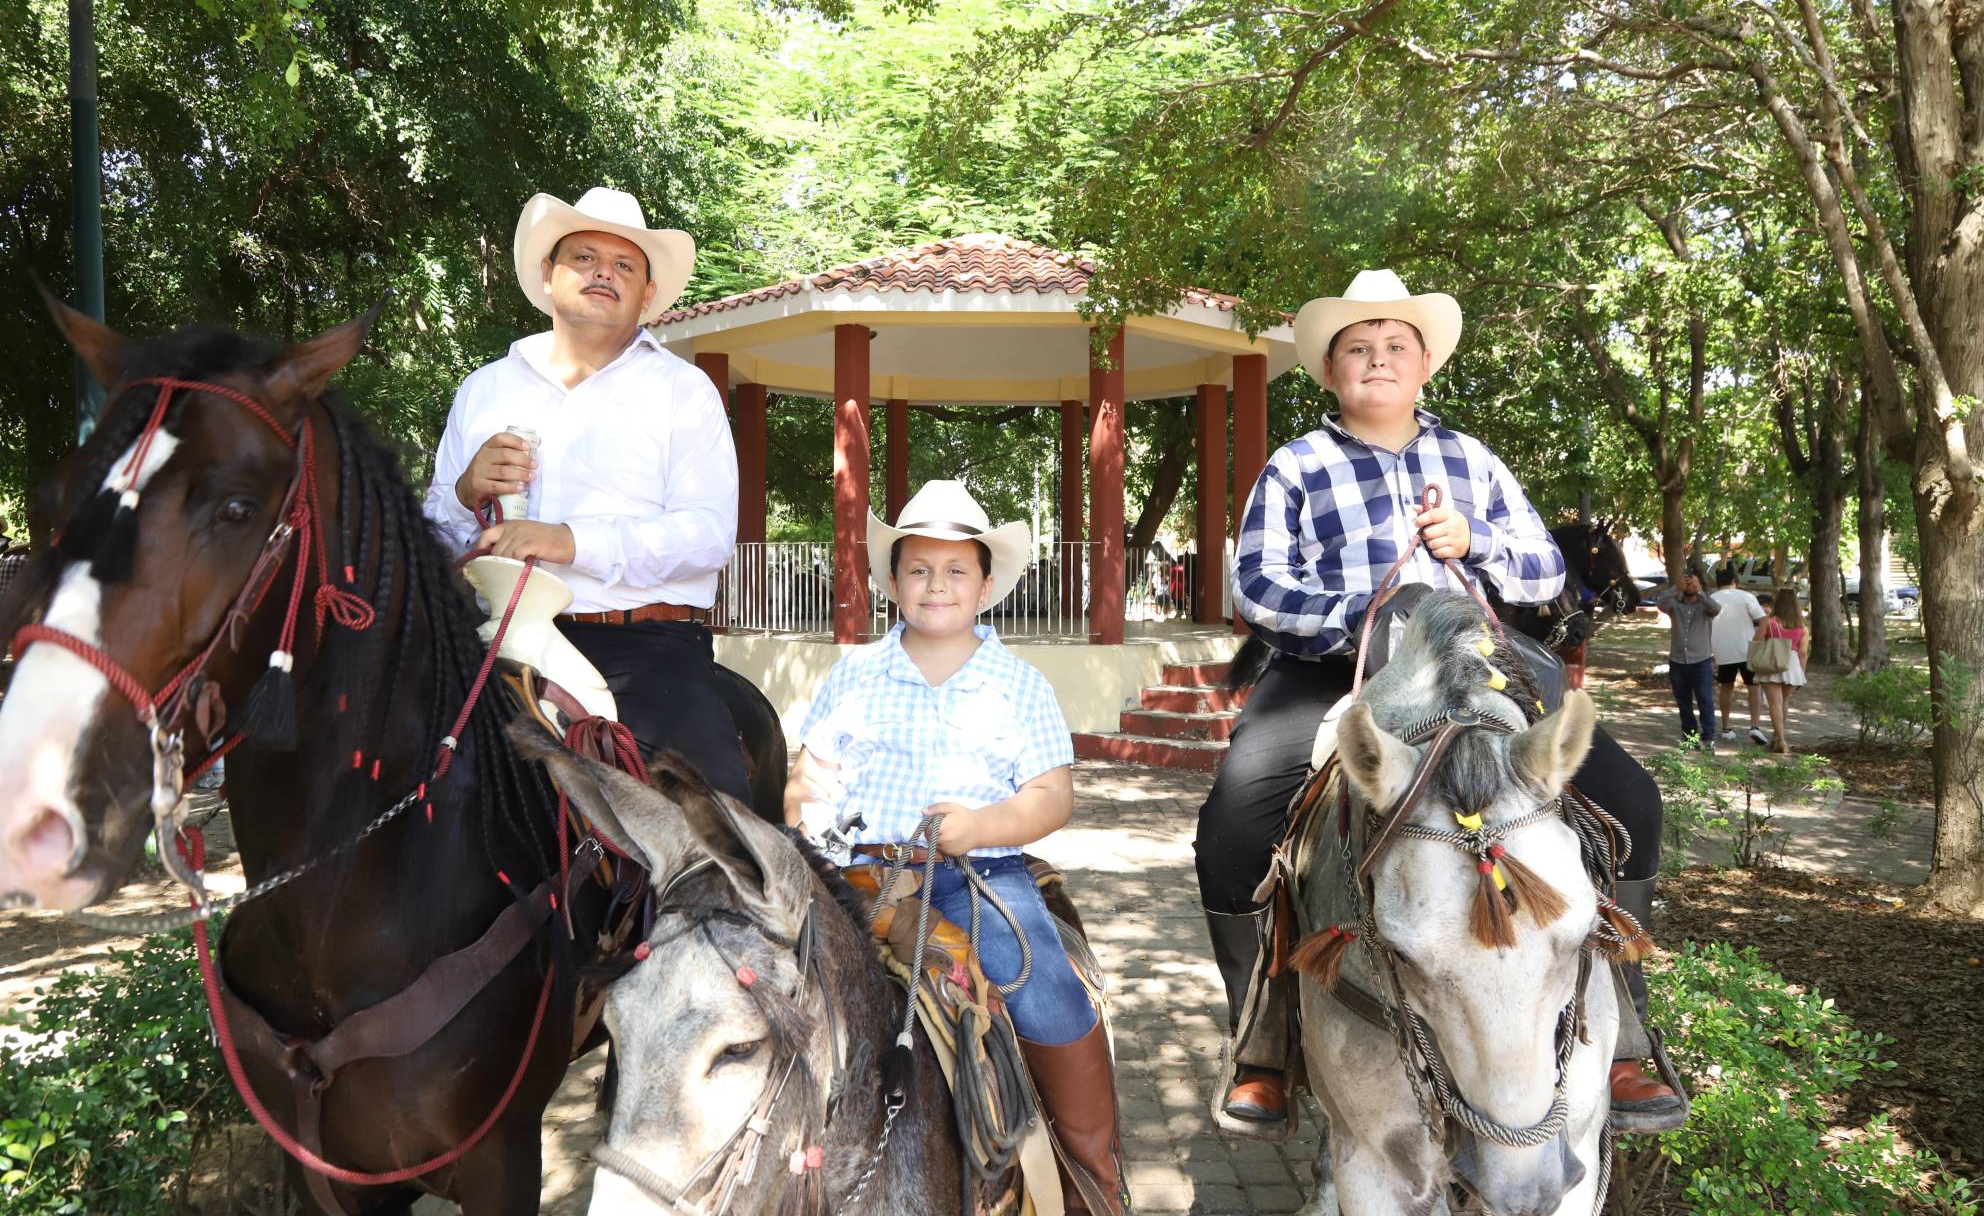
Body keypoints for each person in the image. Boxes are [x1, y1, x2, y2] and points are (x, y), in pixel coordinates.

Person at [1200, 268, 1680, 1135]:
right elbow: (1260, 586)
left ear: (1424, 366)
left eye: (1395, 346)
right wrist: (1360, 617)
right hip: (1335, 667)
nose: (1377, 359)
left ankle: (1625, 1037)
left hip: (1478, 664)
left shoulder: (1472, 459)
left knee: (1633, 806)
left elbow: (1542, 568)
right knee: (1231, 830)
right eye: (1358, 348)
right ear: (1331, 371)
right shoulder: (1297, 464)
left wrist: (1479, 538)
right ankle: (1262, 1040)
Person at [785, 480, 1125, 1215]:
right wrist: (808, 818)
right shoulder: (856, 673)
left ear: (987, 583)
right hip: (857, 874)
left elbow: (1050, 796)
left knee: (1049, 995)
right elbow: (808, 777)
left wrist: (979, 826)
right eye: (917, 569)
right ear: (893, 581)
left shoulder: (1018, 683)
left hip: (975, 875)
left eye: (956, 570)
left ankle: (1092, 1179)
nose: (936, 584)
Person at [422, 187, 747, 801]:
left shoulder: (685, 391)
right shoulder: (483, 389)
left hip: (644, 651)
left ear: (647, 294)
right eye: (584, 257)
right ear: (548, 275)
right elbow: (434, 533)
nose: (604, 272)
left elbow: (708, 536)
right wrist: (466, 491)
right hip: (494, 640)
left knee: (719, 838)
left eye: (625, 264)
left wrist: (569, 542)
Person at [1648, 566, 1721, 753]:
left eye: (1692, 581)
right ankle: (1690, 737)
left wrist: (1700, 591)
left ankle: (1709, 737)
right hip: (1678, 661)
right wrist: (1676, 588)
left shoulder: (1705, 606)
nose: (1689, 585)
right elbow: (1661, 604)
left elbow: (1716, 608)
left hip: (1702, 661)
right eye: (1687, 581)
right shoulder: (1674, 605)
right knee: (1683, 702)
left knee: (1705, 701)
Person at [1710, 566, 1768, 745]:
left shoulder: (1711, 599)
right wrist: (1756, 642)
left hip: (1722, 648)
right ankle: (1754, 726)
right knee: (1754, 687)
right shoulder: (1746, 596)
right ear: (1735, 581)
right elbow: (1763, 620)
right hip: (1746, 649)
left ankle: (1727, 727)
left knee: (1726, 687)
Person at [1752, 587, 1809, 753]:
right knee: (1784, 702)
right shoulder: (1803, 626)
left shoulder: (1769, 621)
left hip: (1772, 662)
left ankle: (1781, 740)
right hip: (1792, 664)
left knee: (1774, 703)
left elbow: (1757, 640)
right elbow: (1803, 652)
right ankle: (1777, 738)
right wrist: (1801, 673)